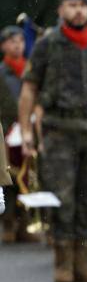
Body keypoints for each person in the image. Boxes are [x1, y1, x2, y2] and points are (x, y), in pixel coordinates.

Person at [19, 0, 87, 282]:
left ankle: (83, 260)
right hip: (58, 131)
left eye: (82, 5)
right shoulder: (48, 43)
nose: (78, 10)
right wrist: (27, 130)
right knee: (62, 196)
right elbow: (29, 88)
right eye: (72, 5)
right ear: (61, 10)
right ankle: (62, 261)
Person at [0, 26, 39, 244]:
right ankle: (8, 223)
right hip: (5, 129)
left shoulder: (30, 71)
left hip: (26, 128)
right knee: (7, 176)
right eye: (12, 41)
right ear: (3, 45)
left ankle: (26, 222)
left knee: (28, 174)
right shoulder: (1, 72)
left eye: (21, 41)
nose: (17, 45)